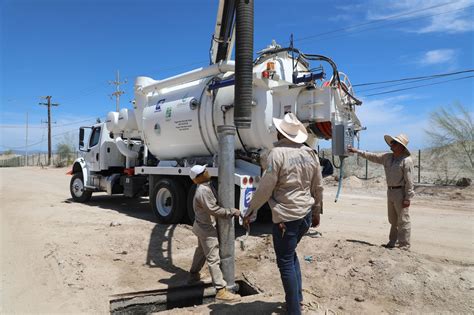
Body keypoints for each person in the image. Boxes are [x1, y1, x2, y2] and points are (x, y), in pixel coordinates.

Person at [244, 113, 323, 315]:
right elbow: (318, 186)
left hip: (286, 217)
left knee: (285, 262)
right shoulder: (310, 153)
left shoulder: (276, 154)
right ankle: (298, 299)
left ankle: (294, 310)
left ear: (280, 132)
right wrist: (317, 211)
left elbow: (265, 188)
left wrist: (250, 209)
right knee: (291, 255)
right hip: (304, 214)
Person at [348, 133, 414, 250]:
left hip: (400, 192)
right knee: (393, 219)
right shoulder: (387, 157)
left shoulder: (406, 161)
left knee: (403, 219)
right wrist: (357, 151)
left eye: (394, 143)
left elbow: (409, 181)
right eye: (392, 142)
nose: (391, 145)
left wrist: (408, 198)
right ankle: (392, 242)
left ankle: (404, 245)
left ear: (401, 146)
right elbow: (372, 156)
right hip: (390, 191)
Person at [187, 164, 242, 302]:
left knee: (201, 252)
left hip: (201, 226)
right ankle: (220, 290)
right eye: (204, 171)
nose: (207, 171)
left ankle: (193, 275)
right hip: (206, 229)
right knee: (213, 259)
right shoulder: (203, 191)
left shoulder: (206, 186)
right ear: (198, 177)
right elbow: (213, 210)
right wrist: (231, 212)